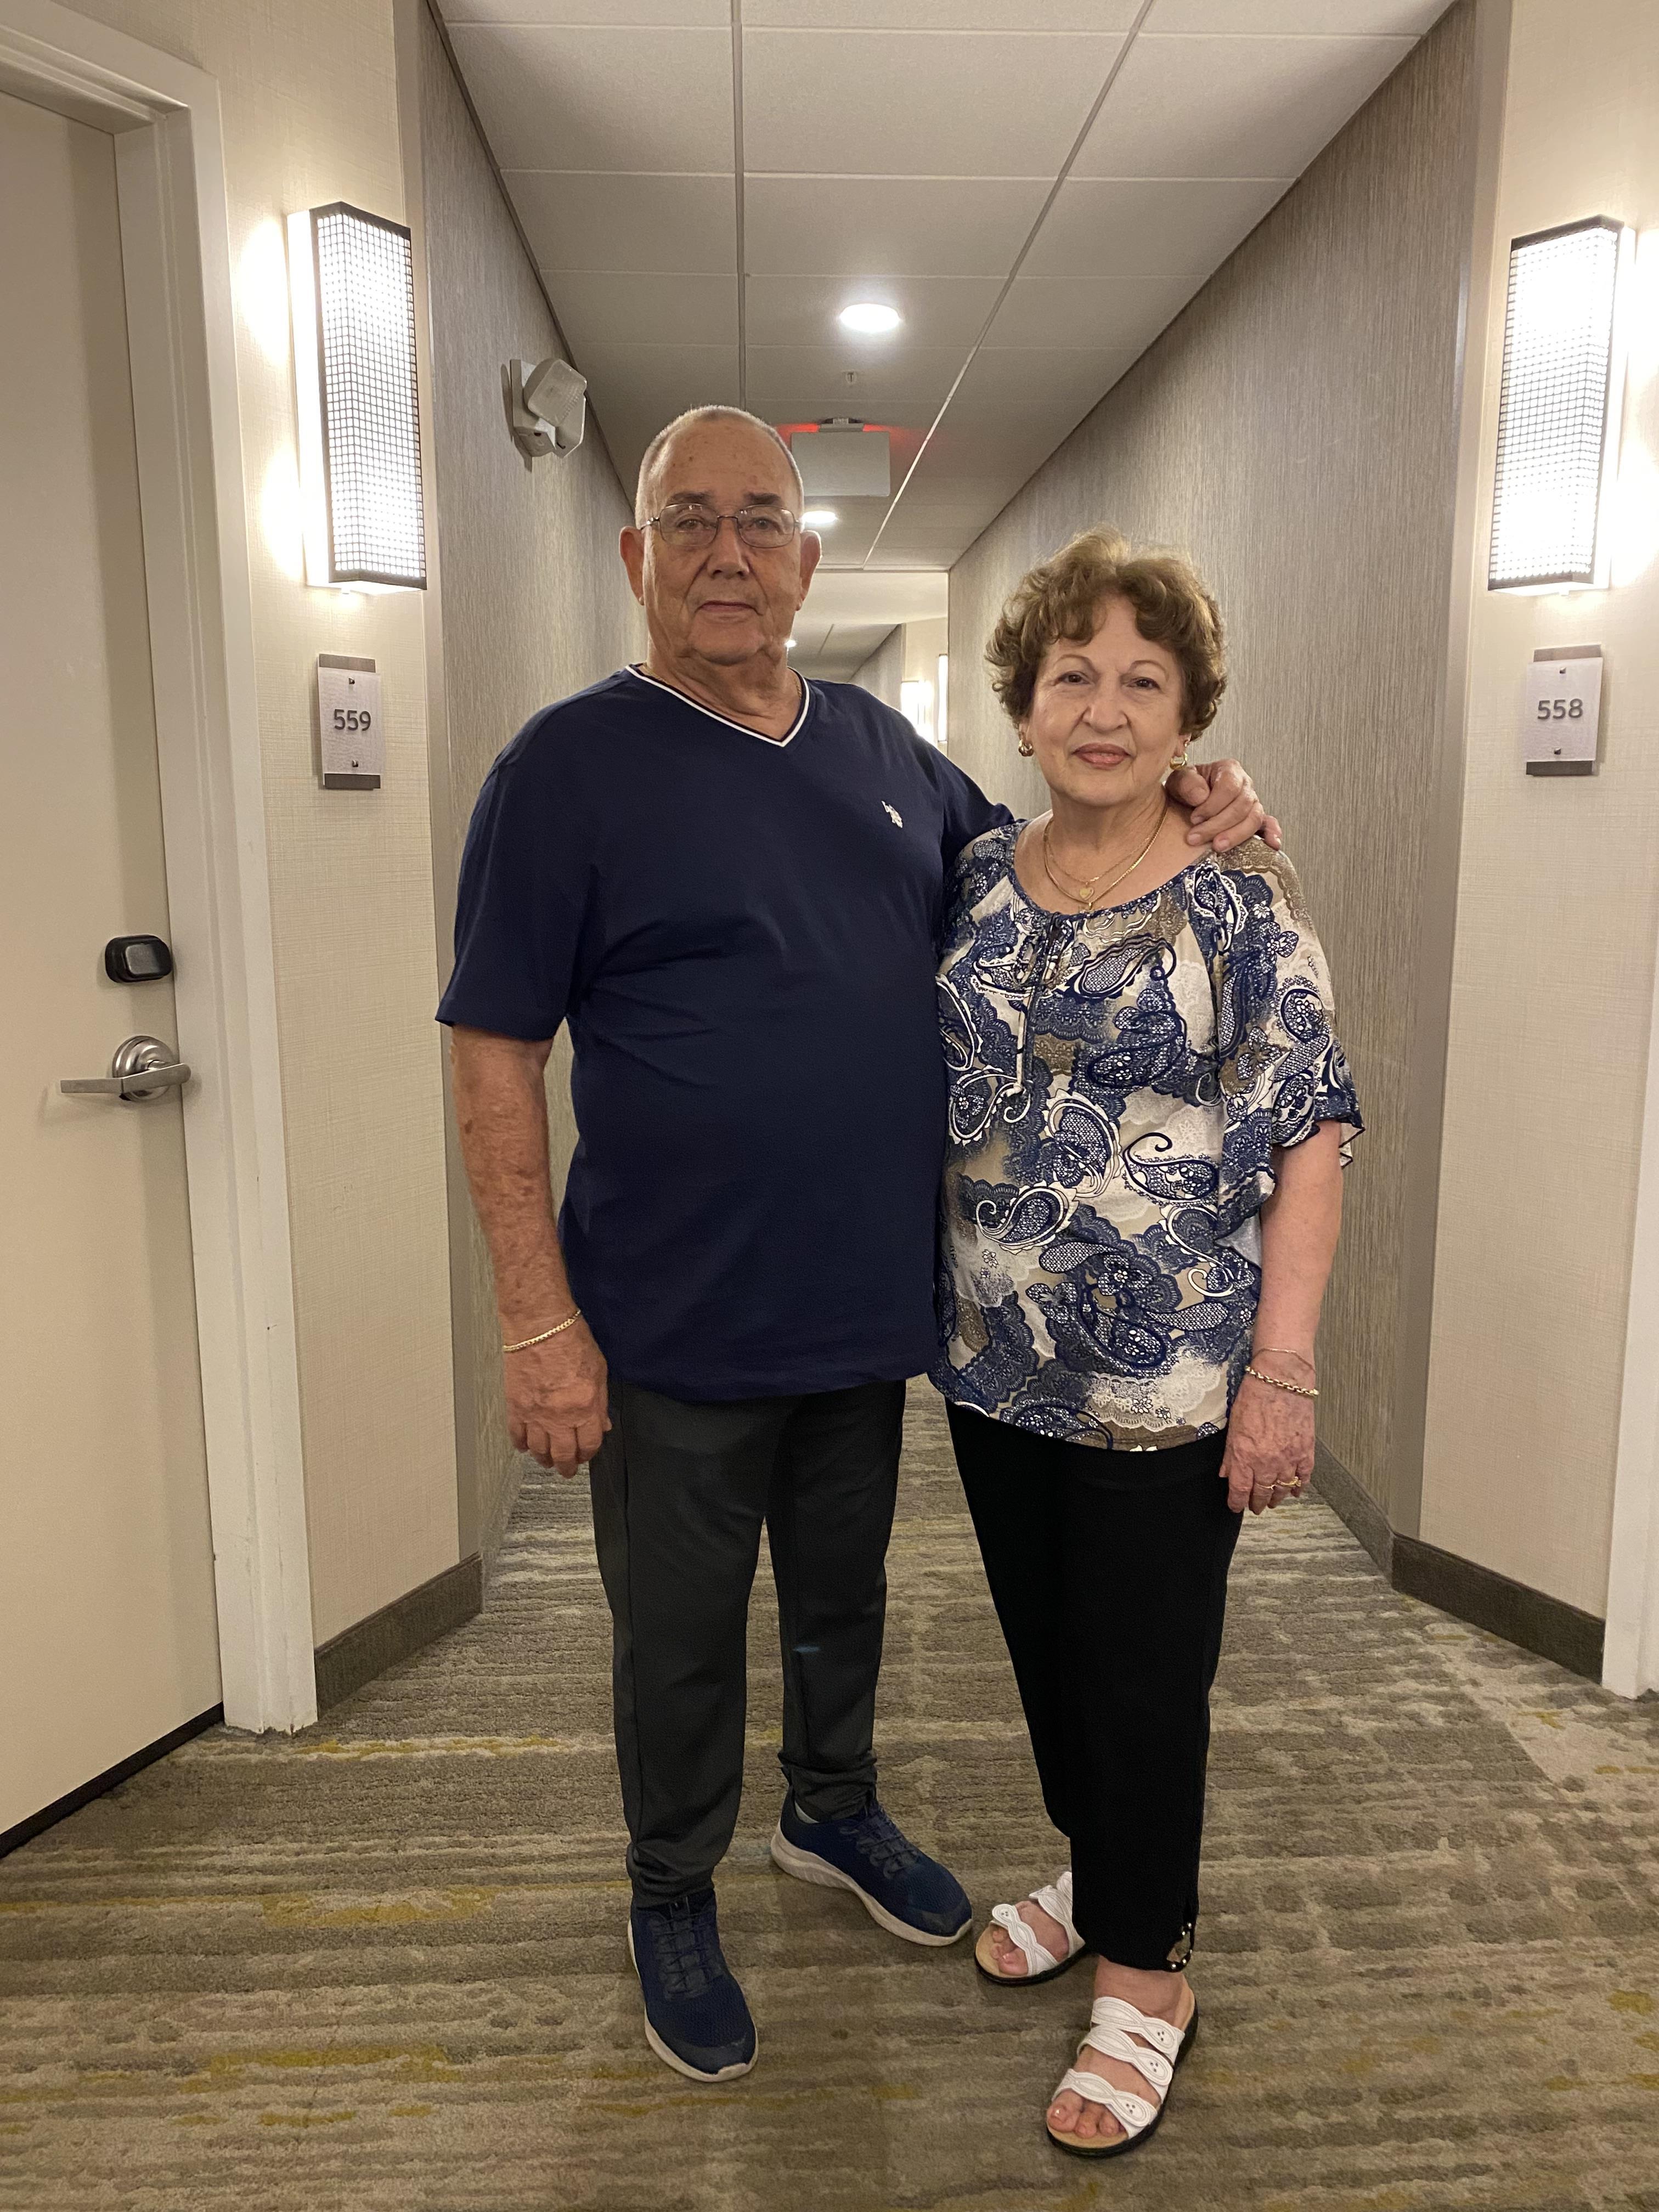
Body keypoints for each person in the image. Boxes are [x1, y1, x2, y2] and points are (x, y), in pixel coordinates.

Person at [437, 409, 1276, 2086]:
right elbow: (493, 1052)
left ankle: (831, 1808)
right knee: (678, 1639)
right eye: (690, 520)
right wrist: (536, 1321)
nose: (728, 553)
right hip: (670, 1319)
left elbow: (1055, 863)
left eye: (762, 520)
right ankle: (671, 1888)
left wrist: (1194, 790)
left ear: (808, 561)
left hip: (869, 1313)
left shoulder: (884, 756)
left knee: (845, 1598)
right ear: (637, 556)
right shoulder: (565, 769)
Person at [932, 531, 1360, 2159]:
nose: (1103, 710)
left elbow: (1311, 1134)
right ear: (1024, 706)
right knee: (1049, 1655)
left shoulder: (1241, 897)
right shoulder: (979, 874)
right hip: (994, 1360)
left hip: (1167, 1381)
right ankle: (1102, 1866)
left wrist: (1284, 1372)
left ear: (1190, 720)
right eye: (1073, 677)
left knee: (1143, 1677)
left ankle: (1147, 1971)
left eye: (1142, 681)